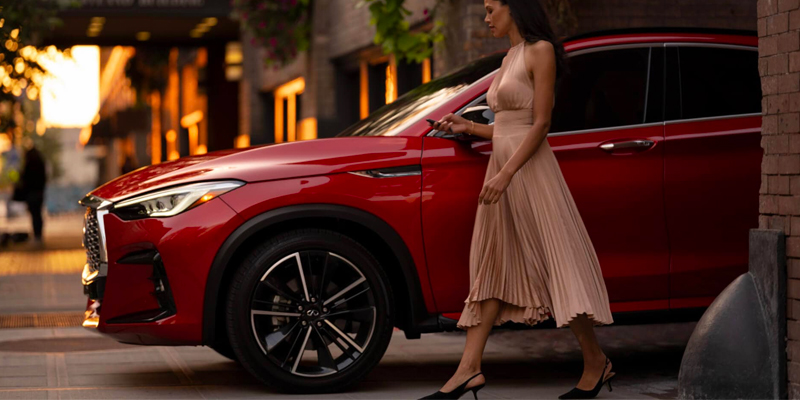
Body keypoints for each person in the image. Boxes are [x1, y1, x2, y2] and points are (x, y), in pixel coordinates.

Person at [422, 1, 615, 399]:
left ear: (515, 8)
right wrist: (467, 125)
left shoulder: (539, 50)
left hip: (528, 173)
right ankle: (468, 370)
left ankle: (596, 362)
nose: (487, 18)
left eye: (492, 9)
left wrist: (508, 174)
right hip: (502, 171)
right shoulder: (509, 56)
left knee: (557, 263)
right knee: (490, 263)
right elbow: (507, 127)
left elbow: (540, 122)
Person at [20, 144, 46, 244]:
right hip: (38, 193)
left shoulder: (29, 164)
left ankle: (37, 235)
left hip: (32, 193)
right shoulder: (40, 163)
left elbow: (24, 179)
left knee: (35, 214)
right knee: (38, 214)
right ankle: (38, 235)